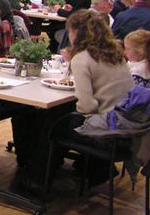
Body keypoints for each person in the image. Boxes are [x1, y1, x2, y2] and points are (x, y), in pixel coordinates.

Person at [53, 10, 134, 185]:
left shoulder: (82, 58)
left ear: (77, 32)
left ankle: (38, 179)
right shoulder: (116, 54)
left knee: (49, 122)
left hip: (107, 134)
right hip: (129, 129)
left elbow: (87, 107)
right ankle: (92, 166)